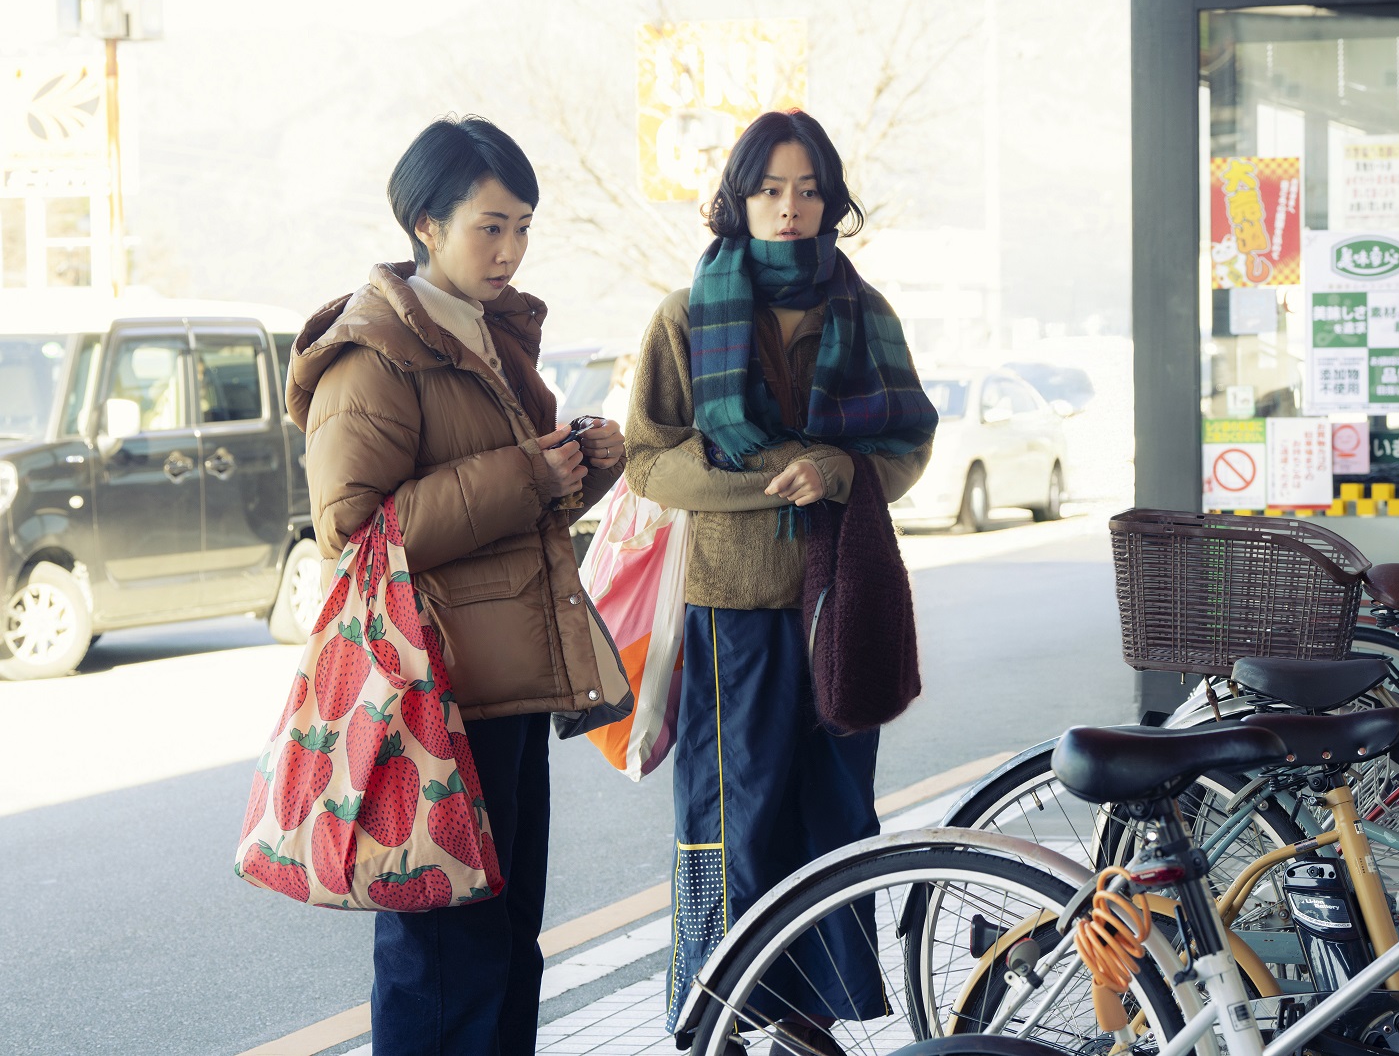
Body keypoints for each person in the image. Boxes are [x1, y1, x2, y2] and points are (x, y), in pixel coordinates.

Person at [285, 115, 625, 1056]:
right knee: (445, 959)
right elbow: (354, 531)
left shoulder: (486, 333)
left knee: (507, 948)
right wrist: (528, 472)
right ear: (426, 226)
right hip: (432, 695)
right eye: (491, 225)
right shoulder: (375, 353)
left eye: (523, 225)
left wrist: (581, 466)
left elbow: (514, 506)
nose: (511, 248)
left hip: (503, 681)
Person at [624, 108, 936, 1054]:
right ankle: (721, 1008)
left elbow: (910, 443)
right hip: (732, 607)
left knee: (838, 811)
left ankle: (810, 1017)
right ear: (739, 199)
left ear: (831, 197)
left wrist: (839, 473)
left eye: (807, 189)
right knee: (736, 810)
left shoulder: (866, 309)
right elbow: (649, 462)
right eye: (770, 190)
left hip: (841, 597)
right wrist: (773, 479)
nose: (790, 208)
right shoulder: (688, 314)